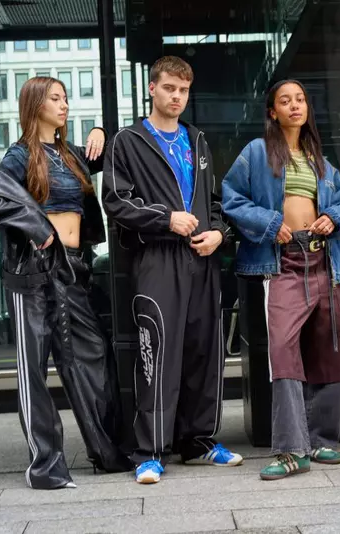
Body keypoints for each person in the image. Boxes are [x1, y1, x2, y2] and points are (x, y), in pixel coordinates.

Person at [0, 76, 131, 490]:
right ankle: (45, 467)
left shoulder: (72, 154)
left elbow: (122, 150)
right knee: (34, 368)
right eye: (55, 98)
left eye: (65, 98)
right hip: (34, 271)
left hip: (74, 269)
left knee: (93, 354)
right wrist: (36, 226)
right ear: (35, 105)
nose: (64, 105)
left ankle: (108, 452)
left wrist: (102, 131)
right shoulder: (20, 155)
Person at [101, 56, 243, 485]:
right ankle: (149, 452)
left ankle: (198, 442)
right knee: (157, 351)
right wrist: (166, 219)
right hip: (158, 258)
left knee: (204, 350)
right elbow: (116, 201)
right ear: (152, 88)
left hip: (202, 258)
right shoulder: (127, 141)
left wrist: (219, 233)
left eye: (183, 90)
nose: (177, 97)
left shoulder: (197, 140)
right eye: (169, 88)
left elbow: (214, 202)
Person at [223, 80, 340, 480]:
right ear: (272, 112)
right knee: (283, 351)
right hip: (283, 260)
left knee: (330, 349)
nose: (295, 106)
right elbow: (231, 198)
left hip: (325, 259)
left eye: (300, 100)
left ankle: (320, 439)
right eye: (285, 101)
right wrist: (269, 223)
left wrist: (334, 217)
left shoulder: (320, 161)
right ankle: (291, 450)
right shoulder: (256, 152)